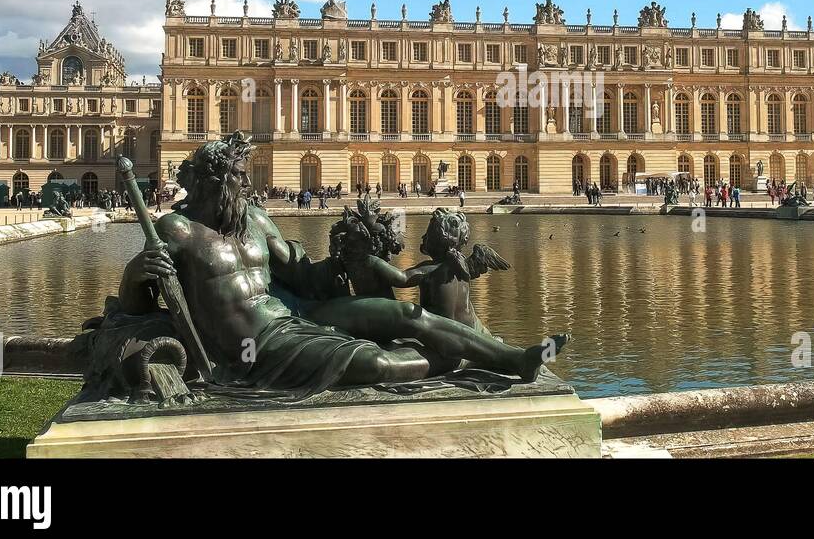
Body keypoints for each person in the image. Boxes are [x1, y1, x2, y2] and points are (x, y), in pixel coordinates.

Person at [119, 133, 567, 395]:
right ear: (216, 182)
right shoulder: (176, 229)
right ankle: (450, 363)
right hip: (252, 347)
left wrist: (345, 258)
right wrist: (136, 275)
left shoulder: (253, 218)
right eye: (238, 177)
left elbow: (301, 272)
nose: (245, 184)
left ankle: (516, 359)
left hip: (296, 315)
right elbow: (137, 309)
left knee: (407, 313)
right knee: (372, 363)